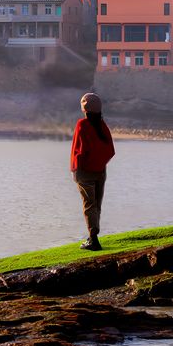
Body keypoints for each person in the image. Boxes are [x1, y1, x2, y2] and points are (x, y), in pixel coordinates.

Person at [70, 92, 115, 251]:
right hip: (100, 172)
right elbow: (111, 151)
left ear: (85, 109)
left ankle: (93, 240)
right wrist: (99, 163)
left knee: (89, 205)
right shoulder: (102, 126)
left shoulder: (82, 125)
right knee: (96, 205)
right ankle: (92, 236)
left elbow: (78, 151)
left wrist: (76, 169)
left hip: (84, 172)